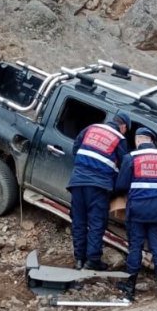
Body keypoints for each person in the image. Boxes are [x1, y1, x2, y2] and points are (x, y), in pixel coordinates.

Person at [114, 128, 157, 301]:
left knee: (135, 247)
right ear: (151, 140)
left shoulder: (131, 158)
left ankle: (130, 288)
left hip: (138, 210)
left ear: (138, 140)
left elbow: (121, 185)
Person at [67, 111, 131, 271]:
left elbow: (75, 149)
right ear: (123, 126)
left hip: (78, 181)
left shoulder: (91, 128)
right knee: (96, 223)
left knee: (79, 221)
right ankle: (93, 260)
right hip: (98, 186)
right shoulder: (119, 139)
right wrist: (118, 188)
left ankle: (79, 260)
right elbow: (125, 167)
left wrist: (85, 166)